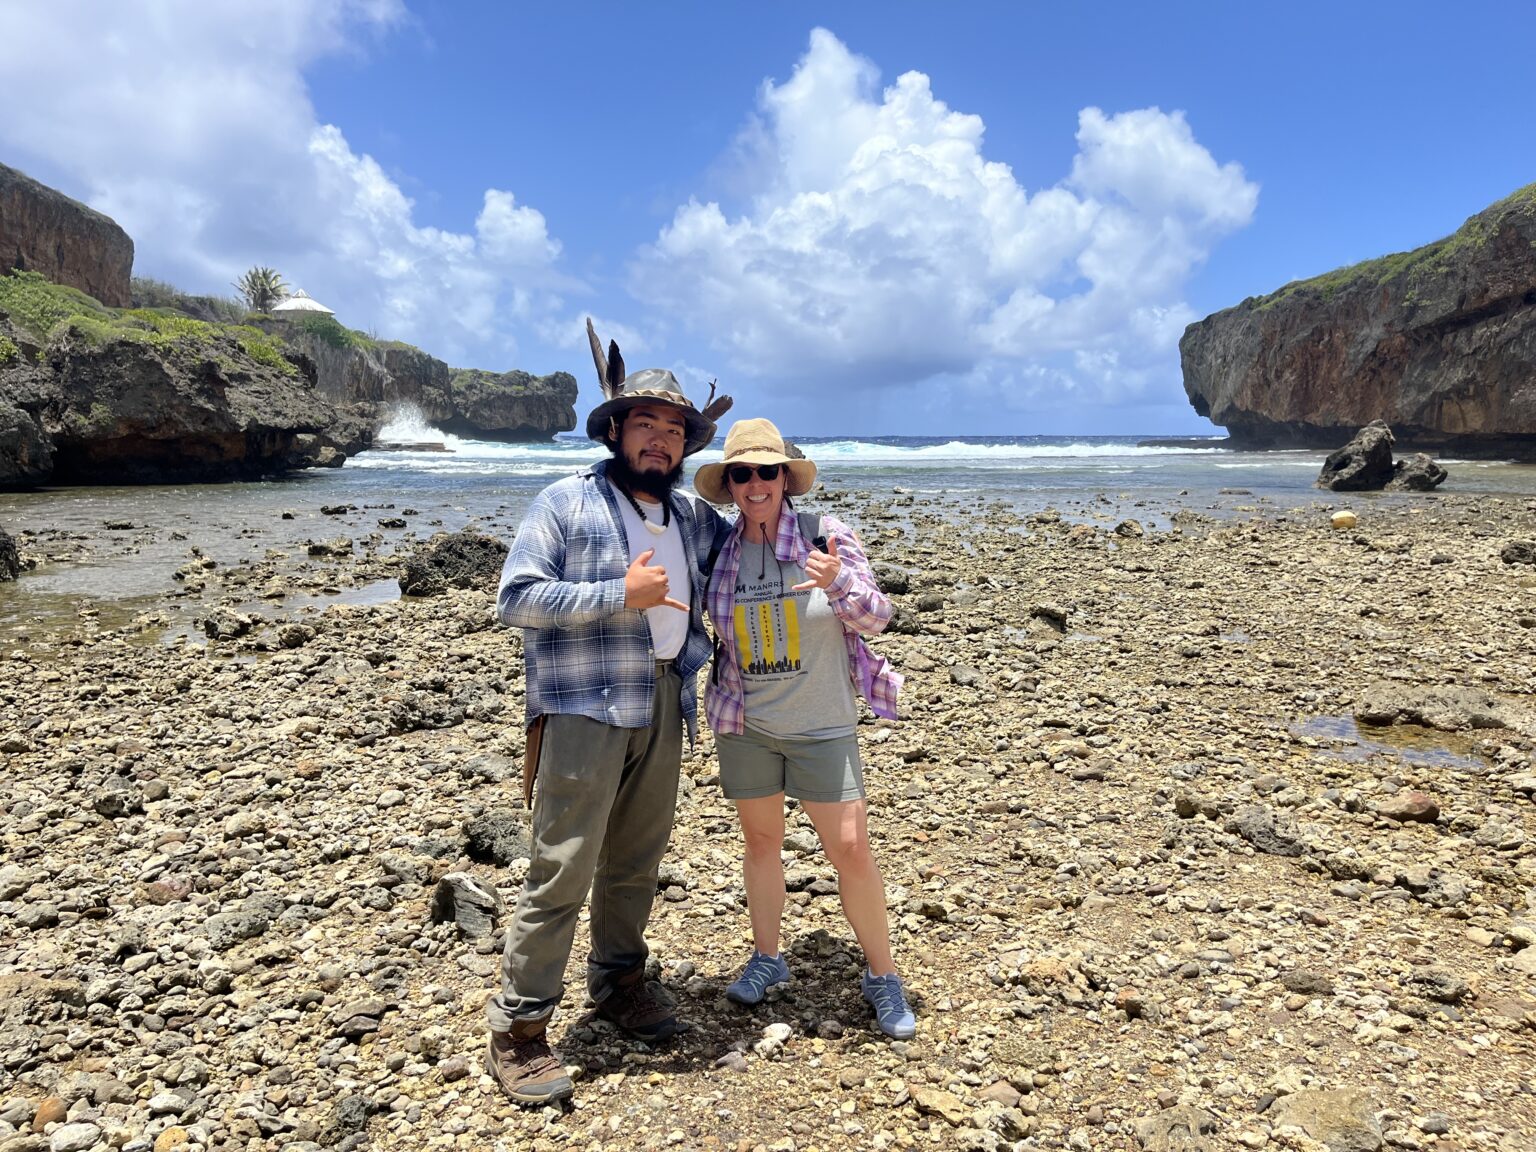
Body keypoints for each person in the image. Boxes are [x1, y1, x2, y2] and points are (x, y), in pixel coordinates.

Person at [483, 322, 729, 1106]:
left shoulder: (692, 517)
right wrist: (618, 595)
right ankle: (518, 1029)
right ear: (617, 430)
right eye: (645, 425)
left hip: (664, 698)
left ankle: (618, 983)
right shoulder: (565, 501)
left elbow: (761, 539)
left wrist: (831, 550)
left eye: (673, 430)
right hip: (584, 707)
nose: (659, 440)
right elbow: (515, 599)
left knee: (635, 863)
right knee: (561, 866)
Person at [693, 418, 913, 1039]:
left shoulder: (827, 535)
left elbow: (878, 618)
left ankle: (881, 974)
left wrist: (838, 582)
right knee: (761, 844)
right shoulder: (723, 549)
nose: (755, 483)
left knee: (848, 848)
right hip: (747, 723)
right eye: (742, 473)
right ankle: (768, 958)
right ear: (730, 484)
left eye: (767, 470)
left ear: (786, 477)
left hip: (822, 723)